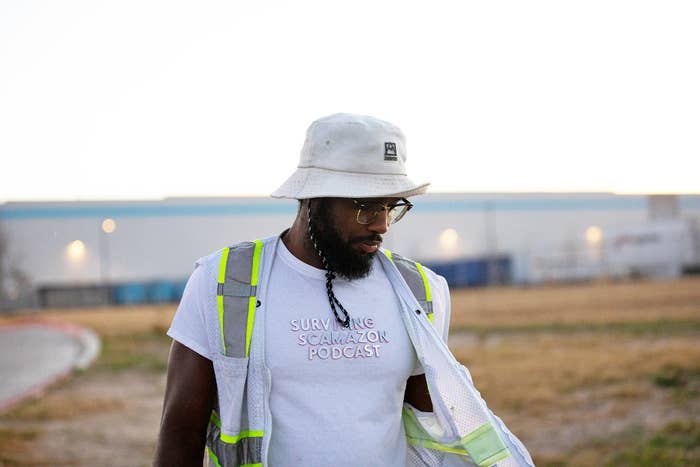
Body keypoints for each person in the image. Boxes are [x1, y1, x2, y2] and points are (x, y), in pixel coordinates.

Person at [154, 113, 534, 467]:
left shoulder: (419, 292)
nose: (382, 224)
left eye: (392, 206)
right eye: (366, 207)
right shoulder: (223, 283)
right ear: (313, 200)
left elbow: (429, 423)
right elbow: (180, 433)